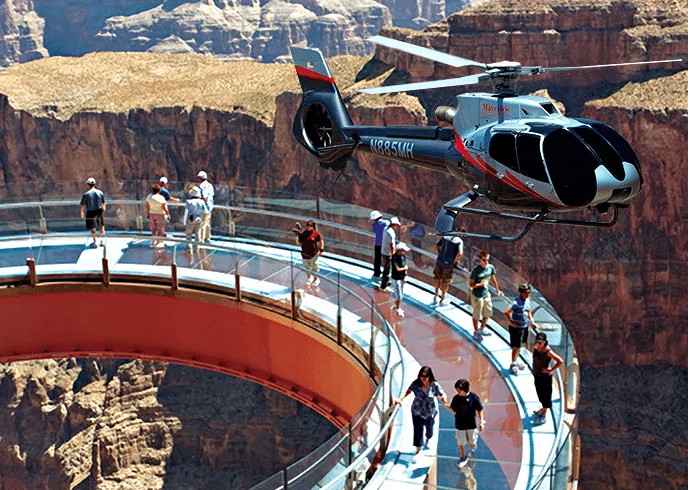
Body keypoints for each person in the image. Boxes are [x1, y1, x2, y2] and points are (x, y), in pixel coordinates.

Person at [395, 366, 448, 459]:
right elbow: (408, 391)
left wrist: (443, 398)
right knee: (418, 431)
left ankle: (428, 438)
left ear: (430, 376)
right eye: (422, 376)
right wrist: (400, 398)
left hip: (429, 412)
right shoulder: (416, 383)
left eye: (426, 376)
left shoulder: (434, 384)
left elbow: (442, 393)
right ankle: (418, 450)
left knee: (429, 429)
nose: (423, 378)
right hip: (417, 411)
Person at [444, 378, 485, 468]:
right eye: (457, 389)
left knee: (472, 442)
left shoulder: (473, 397)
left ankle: (472, 447)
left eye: (459, 389)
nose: (457, 391)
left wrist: (481, 421)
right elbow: (453, 410)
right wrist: (445, 405)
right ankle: (463, 456)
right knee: (461, 442)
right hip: (460, 425)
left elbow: (479, 409)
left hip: (471, 425)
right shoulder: (456, 398)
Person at [504, 283, 540, 375]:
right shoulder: (516, 302)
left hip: (524, 327)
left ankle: (516, 361)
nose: (528, 295)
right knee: (516, 347)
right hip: (516, 329)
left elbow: (528, 311)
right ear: (521, 293)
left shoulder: (527, 301)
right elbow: (506, 313)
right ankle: (513, 364)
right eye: (526, 293)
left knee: (520, 345)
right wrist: (512, 323)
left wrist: (532, 321)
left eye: (529, 293)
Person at [468, 251, 503, 341]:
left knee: (488, 312)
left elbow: (493, 279)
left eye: (488, 260)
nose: (486, 262)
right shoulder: (476, 271)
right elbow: (471, 285)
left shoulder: (490, 268)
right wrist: (481, 284)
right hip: (477, 295)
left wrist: (498, 290)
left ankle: (482, 328)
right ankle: (476, 332)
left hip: (486, 294)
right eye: (484, 260)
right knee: (477, 314)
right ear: (480, 260)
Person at [532, 332, 564, 425]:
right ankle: (542, 410)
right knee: (540, 394)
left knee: (545, 396)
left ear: (545, 342)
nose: (539, 344)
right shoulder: (536, 348)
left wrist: (551, 369)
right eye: (537, 342)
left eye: (540, 342)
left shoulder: (548, 351)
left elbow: (560, 361)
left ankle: (543, 416)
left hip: (545, 377)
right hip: (537, 375)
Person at [432, 234, 464, 305]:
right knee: (445, 282)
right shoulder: (459, 241)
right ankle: (442, 299)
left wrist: (439, 254)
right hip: (448, 265)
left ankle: (436, 296)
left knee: (437, 279)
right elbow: (460, 253)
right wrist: (456, 261)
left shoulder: (445, 237)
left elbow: (437, 246)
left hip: (439, 261)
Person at [79, 177, 106, 249]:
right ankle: (102, 240)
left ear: (88, 185)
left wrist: (82, 213)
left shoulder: (86, 194)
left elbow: (82, 205)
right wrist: (103, 207)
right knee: (101, 225)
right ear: (94, 184)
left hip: (90, 212)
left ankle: (95, 241)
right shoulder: (100, 192)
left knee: (92, 227)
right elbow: (103, 202)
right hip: (99, 210)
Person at [296, 220, 324, 287]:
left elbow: (321, 241)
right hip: (305, 254)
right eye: (308, 225)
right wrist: (297, 235)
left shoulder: (316, 234)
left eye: (310, 226)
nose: (309, 227)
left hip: (313, 254)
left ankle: (316, 279)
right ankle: (309, 278)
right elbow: (298, 243)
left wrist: (321, 250)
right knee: (306, 267)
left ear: (313, 226)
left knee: (314, 267)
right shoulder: (303, 233)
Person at [183, 186, 209, 251]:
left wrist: (184, 221)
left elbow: (186, 212)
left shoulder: (188, 201)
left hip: (191, 218)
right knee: (198, 233)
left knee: (188, 233)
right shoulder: (201, 202)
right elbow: (205, 211)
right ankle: (196, 247)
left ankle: (189, 246)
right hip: (198, 218)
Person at [379, 217, 400, 292]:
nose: (397, 226)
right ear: (393, 224)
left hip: (383, 251)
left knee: (386, 268)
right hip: (387, 254)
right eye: (396, 224)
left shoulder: (385, 229)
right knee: (386, 270)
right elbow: (391, 245)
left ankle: (386, 282)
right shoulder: (391, 232)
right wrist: (393, 254)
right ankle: (383, 286)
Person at [370, 210, 389, 281]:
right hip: (384, 244)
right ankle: (386, 274)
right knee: (386, 259)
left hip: (377, 244)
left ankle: (376, 272)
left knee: (377, 259)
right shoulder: (386, 223)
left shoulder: (374, 225)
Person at [392, 242, 409, 317]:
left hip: (401, 278)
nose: (404, 252)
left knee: (401, 294)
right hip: (396, 278)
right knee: (398, 295)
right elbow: (397, 269)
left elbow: (405, 266)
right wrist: (404, 268)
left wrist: (405, 276)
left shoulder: (403, 257)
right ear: (399, 250)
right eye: (403, 250)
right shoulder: (394, 258)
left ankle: (396, 306)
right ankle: (398, 308)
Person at [196, 171, 214, 242]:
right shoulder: (210, 185)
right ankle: (208, 237)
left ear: (200, 178)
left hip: (203, 208)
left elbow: (204, 197)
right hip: (210, 207)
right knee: (207, 223)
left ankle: (202, 239)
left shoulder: (201, 186)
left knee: (202, 223)